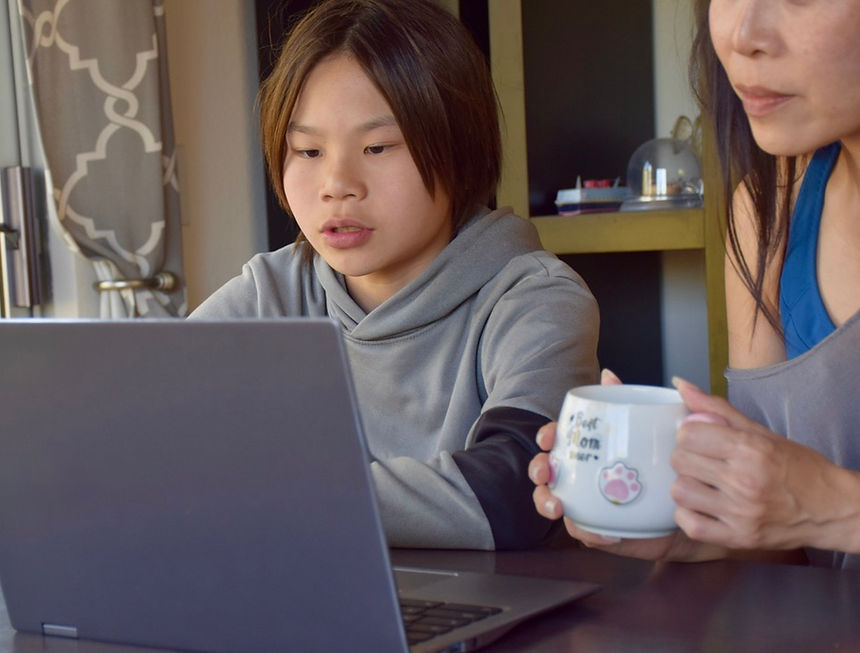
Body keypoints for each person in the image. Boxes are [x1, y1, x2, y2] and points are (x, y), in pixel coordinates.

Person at [188, 0, 599, 550]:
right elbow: (137, 421)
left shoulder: (535, 301)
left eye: (377, 147)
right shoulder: (273, 291)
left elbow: (514, 490)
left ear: (458, 148)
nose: (336, 184)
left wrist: (269, 499)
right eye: (307, 150)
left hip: (483, 614)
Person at [530, 0, 860, 569]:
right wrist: (695, 530)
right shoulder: (767, 217)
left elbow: (816, 511)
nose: (742, 35)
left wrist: (833, 507)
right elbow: (794, 550)